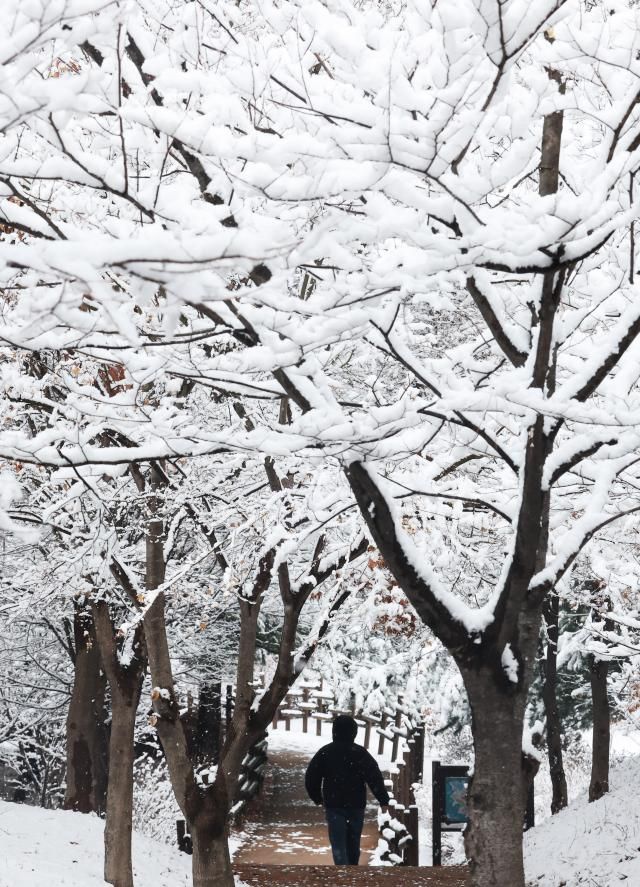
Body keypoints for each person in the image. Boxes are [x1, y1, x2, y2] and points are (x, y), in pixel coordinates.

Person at [304, 714, 390, 866]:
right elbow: (374, 776)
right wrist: (383, 799)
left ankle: (343, 874)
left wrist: (317, 797)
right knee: (353, 843)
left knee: (338, 845)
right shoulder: (360, 753)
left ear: (334, 731)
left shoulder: (326, 752)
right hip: (356, 805)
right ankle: (351, 872)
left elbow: (312, 776)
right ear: (354, 733)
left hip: (334, 805)